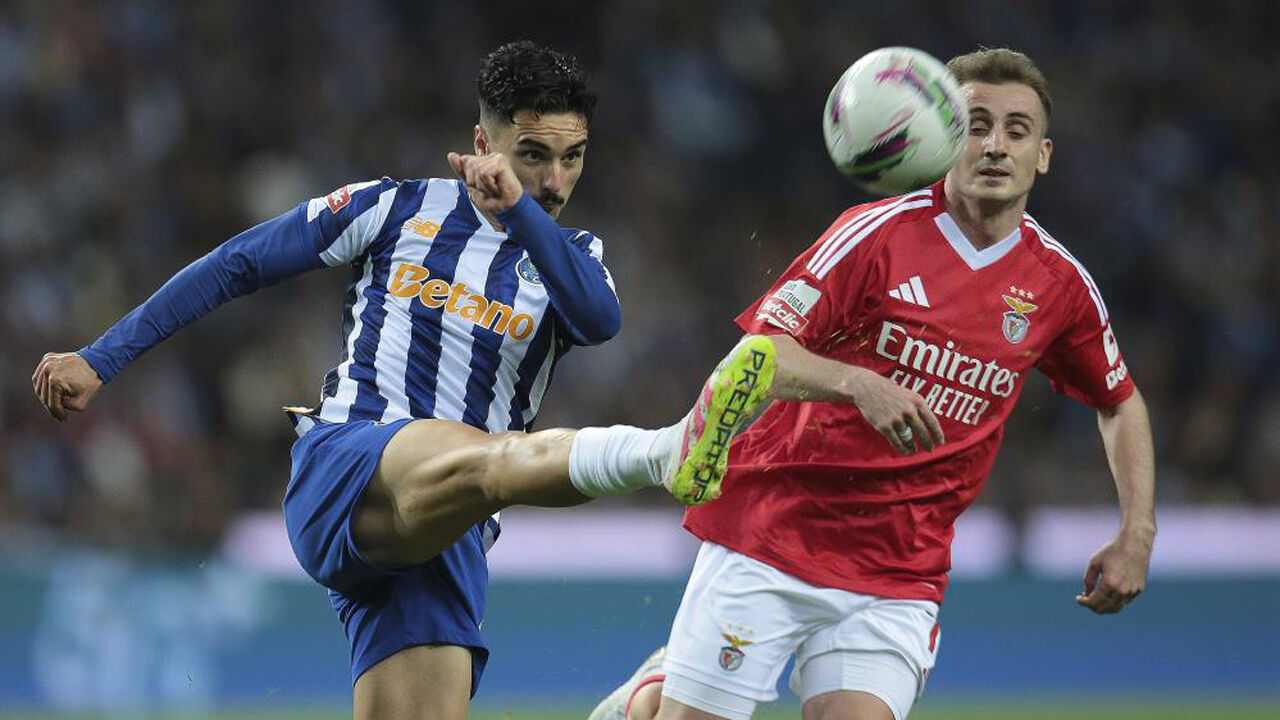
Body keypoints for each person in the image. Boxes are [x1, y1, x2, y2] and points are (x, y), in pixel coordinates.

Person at [30, 41, 777, 720]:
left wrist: (518, 213)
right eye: (532, 155)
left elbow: (598, 319)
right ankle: (666, 452)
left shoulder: (571, 255)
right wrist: (102, 357)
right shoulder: (395, 207)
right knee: (493, 461)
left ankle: (633, 709)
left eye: (573, 157)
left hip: (445, 530)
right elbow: (240, 264)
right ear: (483, 142)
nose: (554, 181)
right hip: (350, 462)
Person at [590, 48, 1156, 720]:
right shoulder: (873, 236)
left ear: (1044, 154)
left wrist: (1137, 534)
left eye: (1016, 130)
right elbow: (762, 353)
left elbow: (1119, 402)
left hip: (900, 568)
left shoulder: (1058, 285)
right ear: (946, 138)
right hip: (776, 529)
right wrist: (859, 384)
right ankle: (653, 698)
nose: (996, 146)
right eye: (976, 125)